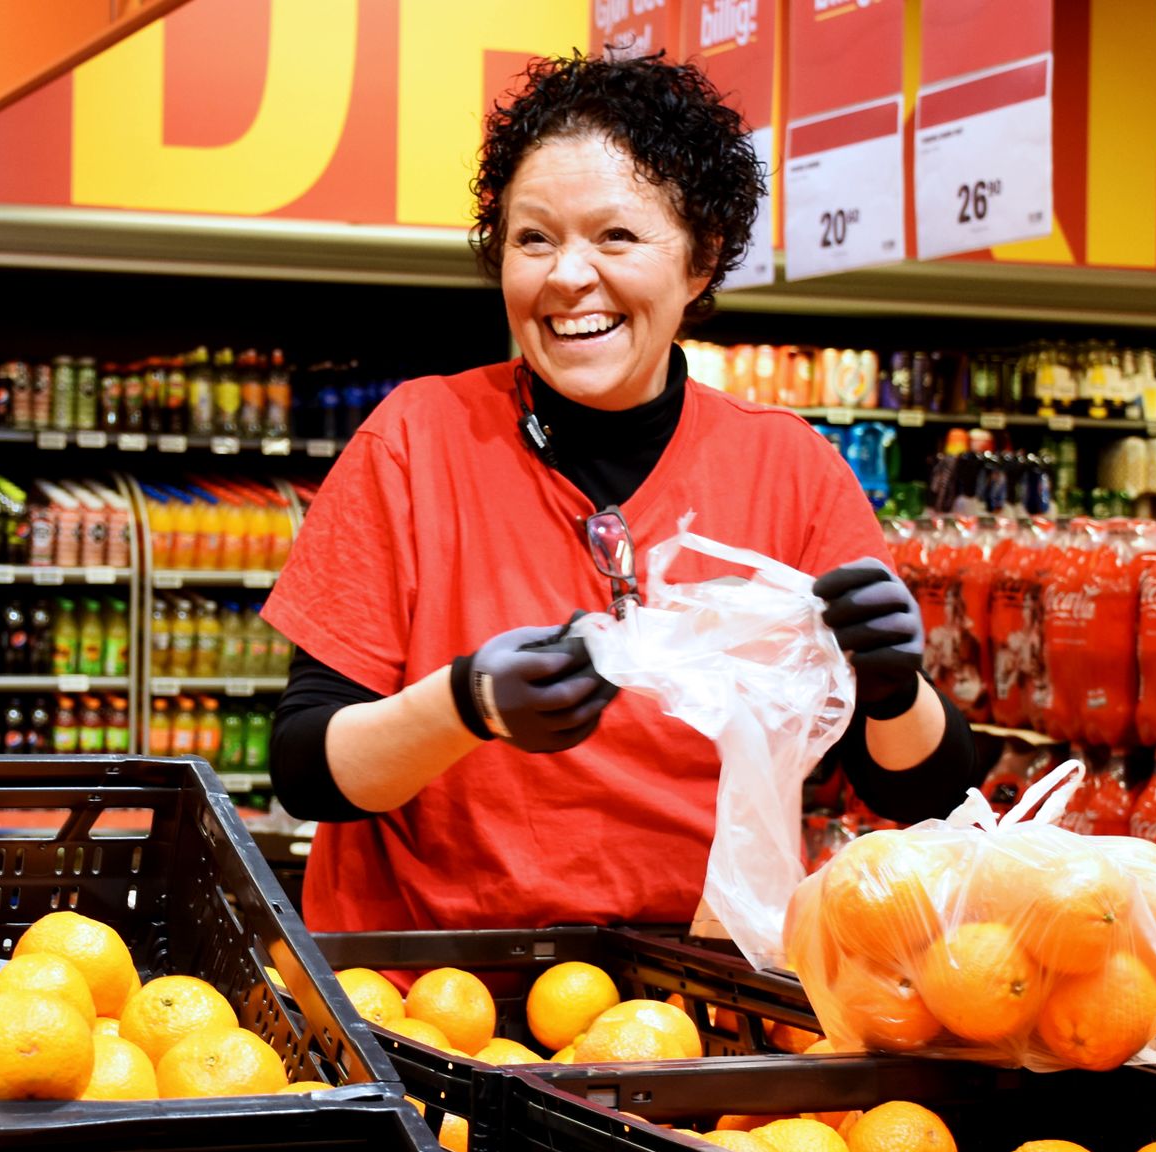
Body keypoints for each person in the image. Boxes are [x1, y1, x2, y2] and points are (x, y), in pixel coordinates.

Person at [263, 54, 977, 934]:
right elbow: (304, 767)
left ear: (702, 259)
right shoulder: (415, 441)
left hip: (695, 1009)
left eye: (616, 237)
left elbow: (922, 793)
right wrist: (464, 703)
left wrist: (894, 684)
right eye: (534, 239)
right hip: (435, 1000)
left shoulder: (790, 470)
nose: (568, 276)